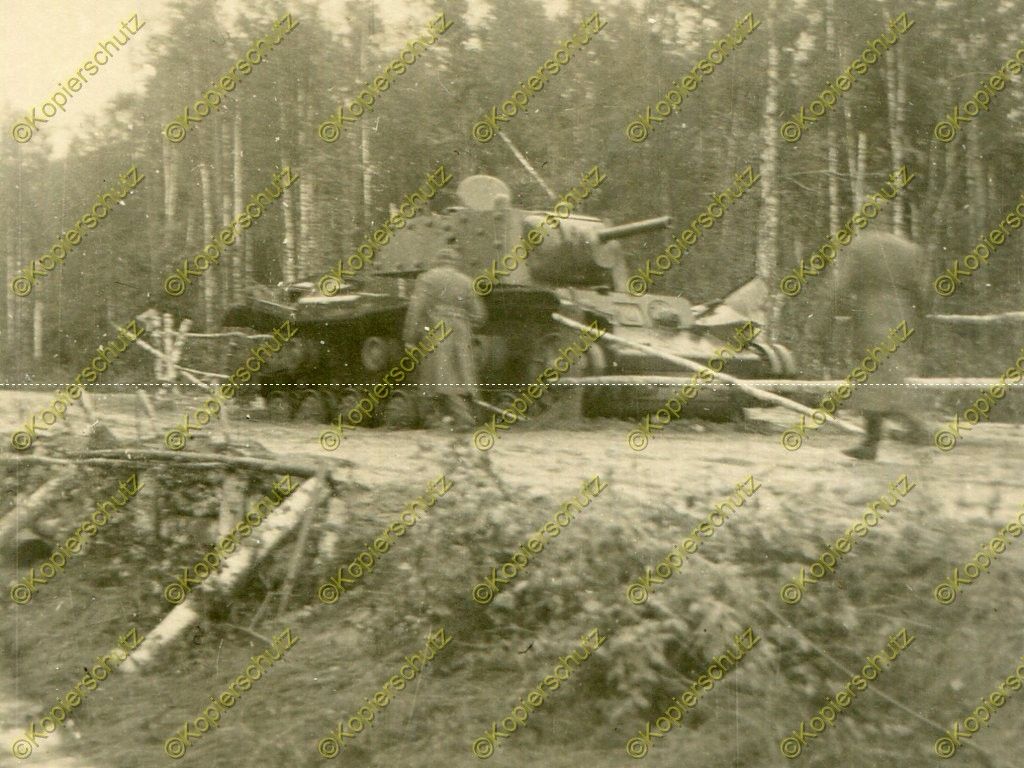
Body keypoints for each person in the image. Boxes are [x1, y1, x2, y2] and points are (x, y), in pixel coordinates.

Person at [828, 230, 930, 460]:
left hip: (872, 315)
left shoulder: (861, 245)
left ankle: (905, 431)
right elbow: (919, 292)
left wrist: (827, 318)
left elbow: (842, 286)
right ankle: (882, 438)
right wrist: (920, 324)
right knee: (887, 376)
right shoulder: (909, 249)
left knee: (873, 379)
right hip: (903, 315)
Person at [402, 246, 487, 430]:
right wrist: (462, 321)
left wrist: (410, 338)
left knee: (436, 374)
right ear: (455, 263)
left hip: (438, 327)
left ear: (437, 261)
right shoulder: (466, 281)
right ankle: (461, 416)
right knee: (459, 374)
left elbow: (416, 308)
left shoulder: (428, 278)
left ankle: (442, 418)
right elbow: (479, 315)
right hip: (462, 331)